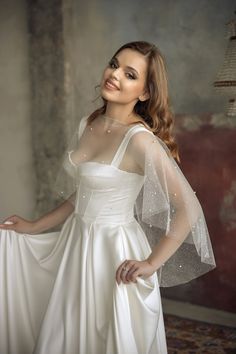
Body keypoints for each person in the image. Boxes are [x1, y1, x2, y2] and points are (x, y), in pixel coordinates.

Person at [0, 41, 216, 354]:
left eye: (130, 74)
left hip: (113, 250)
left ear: (144, 93)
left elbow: (189, 208)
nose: (114, 75)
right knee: (67, 327)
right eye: (114, 64)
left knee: (106, 335)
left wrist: (152, 263)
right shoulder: (89, 124)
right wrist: (35, 226)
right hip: (76, 241)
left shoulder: (141, 141)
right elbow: (85, 193)